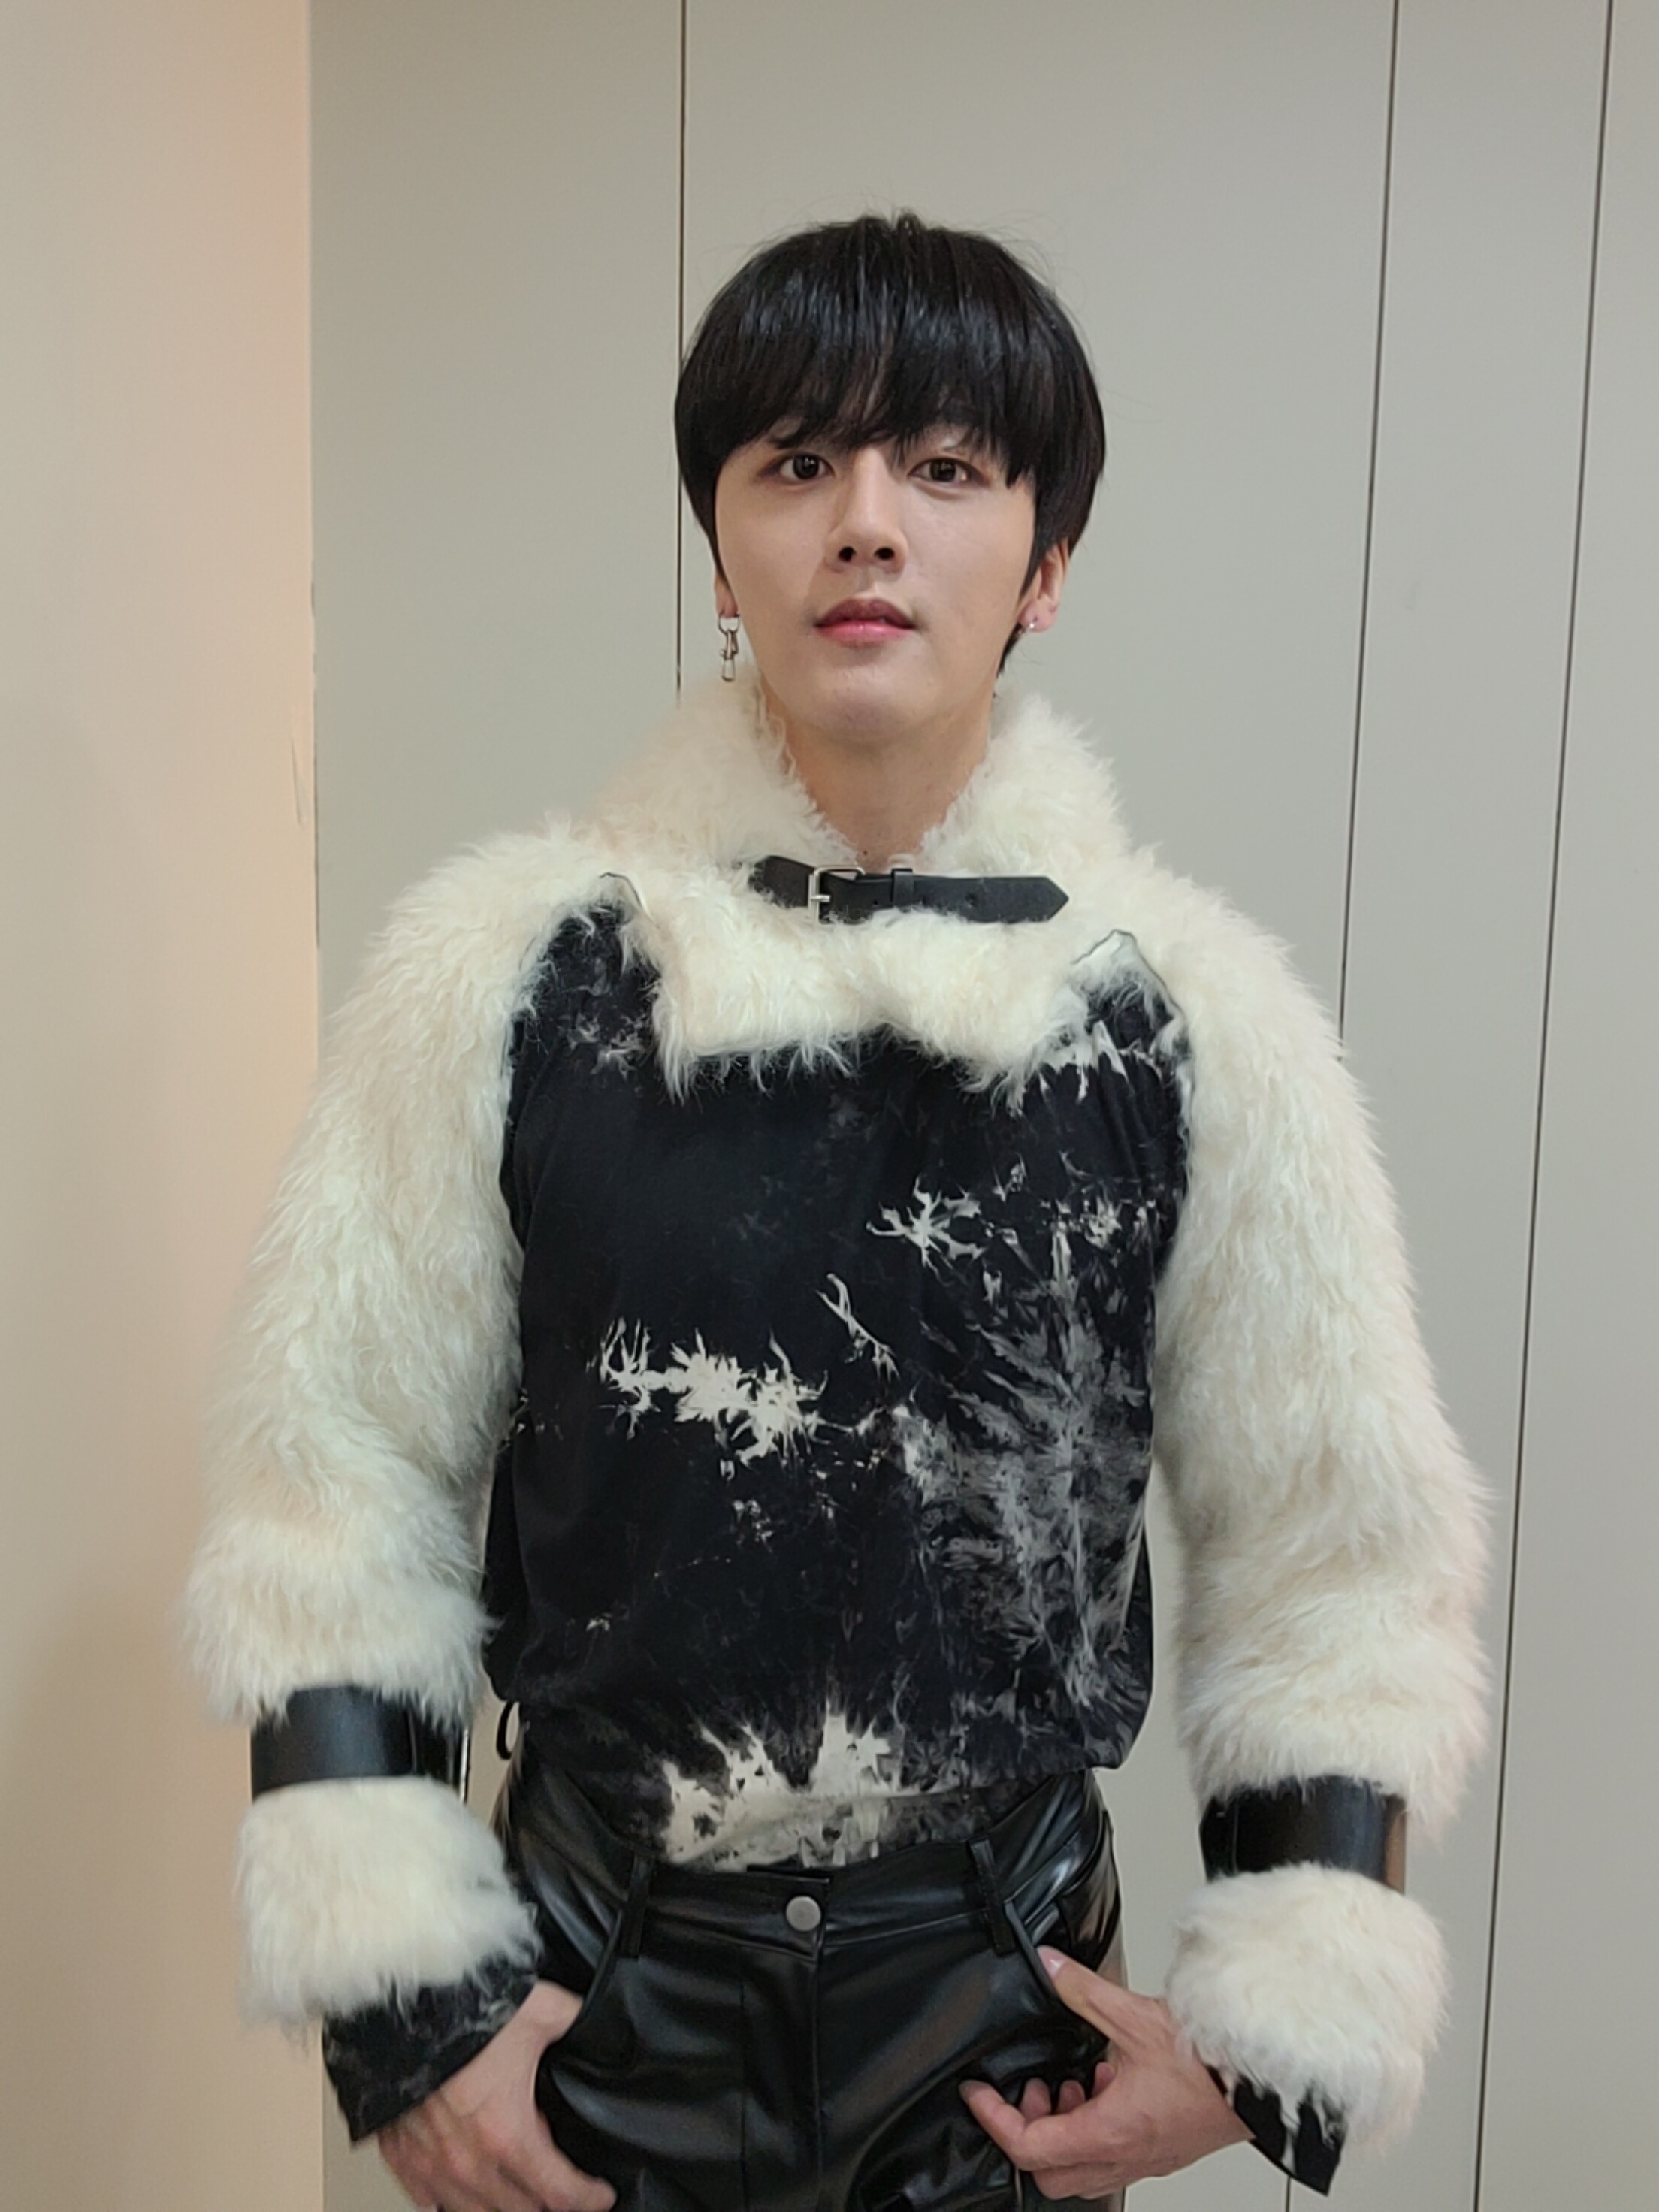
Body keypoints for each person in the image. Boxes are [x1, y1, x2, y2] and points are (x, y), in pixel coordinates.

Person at [184, 212, 1486, 2212]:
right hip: (601, 1975)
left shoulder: (1187, 1021)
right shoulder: (511, 981)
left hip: (1000, 2010)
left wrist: (1276, 2032)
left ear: (1046, 563)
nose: (866, 522)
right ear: (723, 551)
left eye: (945, 467)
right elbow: (331, 1479)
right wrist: (403, 2007)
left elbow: (1340, 1548)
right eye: (798, 462)